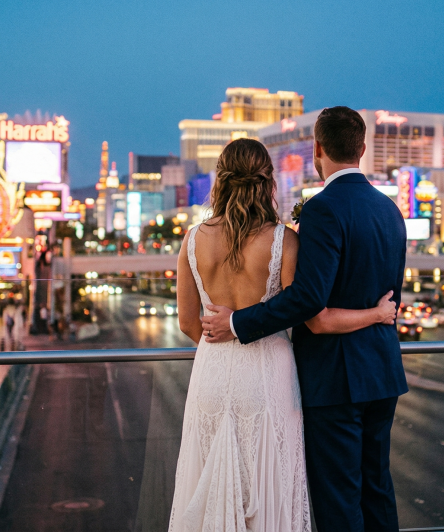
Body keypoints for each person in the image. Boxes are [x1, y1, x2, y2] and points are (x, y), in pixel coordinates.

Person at [168, 137, 397, 531]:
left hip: (211, 374)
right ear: (267, 181)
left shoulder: (191, 240)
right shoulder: (283, 240)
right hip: (269, 376)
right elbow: (303, 313)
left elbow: (188, 321)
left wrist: (226, 346)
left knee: (212, 491)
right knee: (270, 489)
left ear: (220, 179)